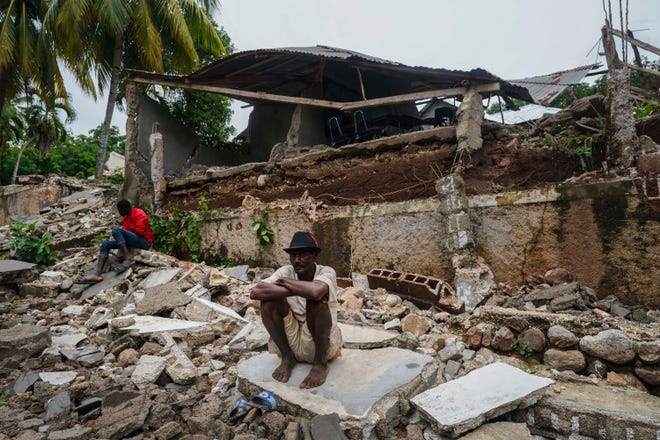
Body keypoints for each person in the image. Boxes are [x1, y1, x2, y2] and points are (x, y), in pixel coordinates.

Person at [250, 231, 343, 389]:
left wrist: (285, 284)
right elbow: (256, 292)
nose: (297, 260)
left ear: (314, 255)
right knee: (268, 302)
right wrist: (299, 288)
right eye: (293, 255)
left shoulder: (327, 271)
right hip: (291, 341)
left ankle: (320, 365)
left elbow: (315, 292)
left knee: (317, 301)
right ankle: (287, 358)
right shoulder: (286, 271)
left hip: (319, 343)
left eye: (303, 255)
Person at [85, 199, 154, 283]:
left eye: (119, 210)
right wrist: (128, 233)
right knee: (106, 244)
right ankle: (97, 274)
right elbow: (126, 234)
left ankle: (128, 259)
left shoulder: (138, 213)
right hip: (134, 240)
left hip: (145, 242)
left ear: (124, 209)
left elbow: (140, 232)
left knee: (116, 230)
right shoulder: (126, 218)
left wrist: (127, 233)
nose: (119, 213)